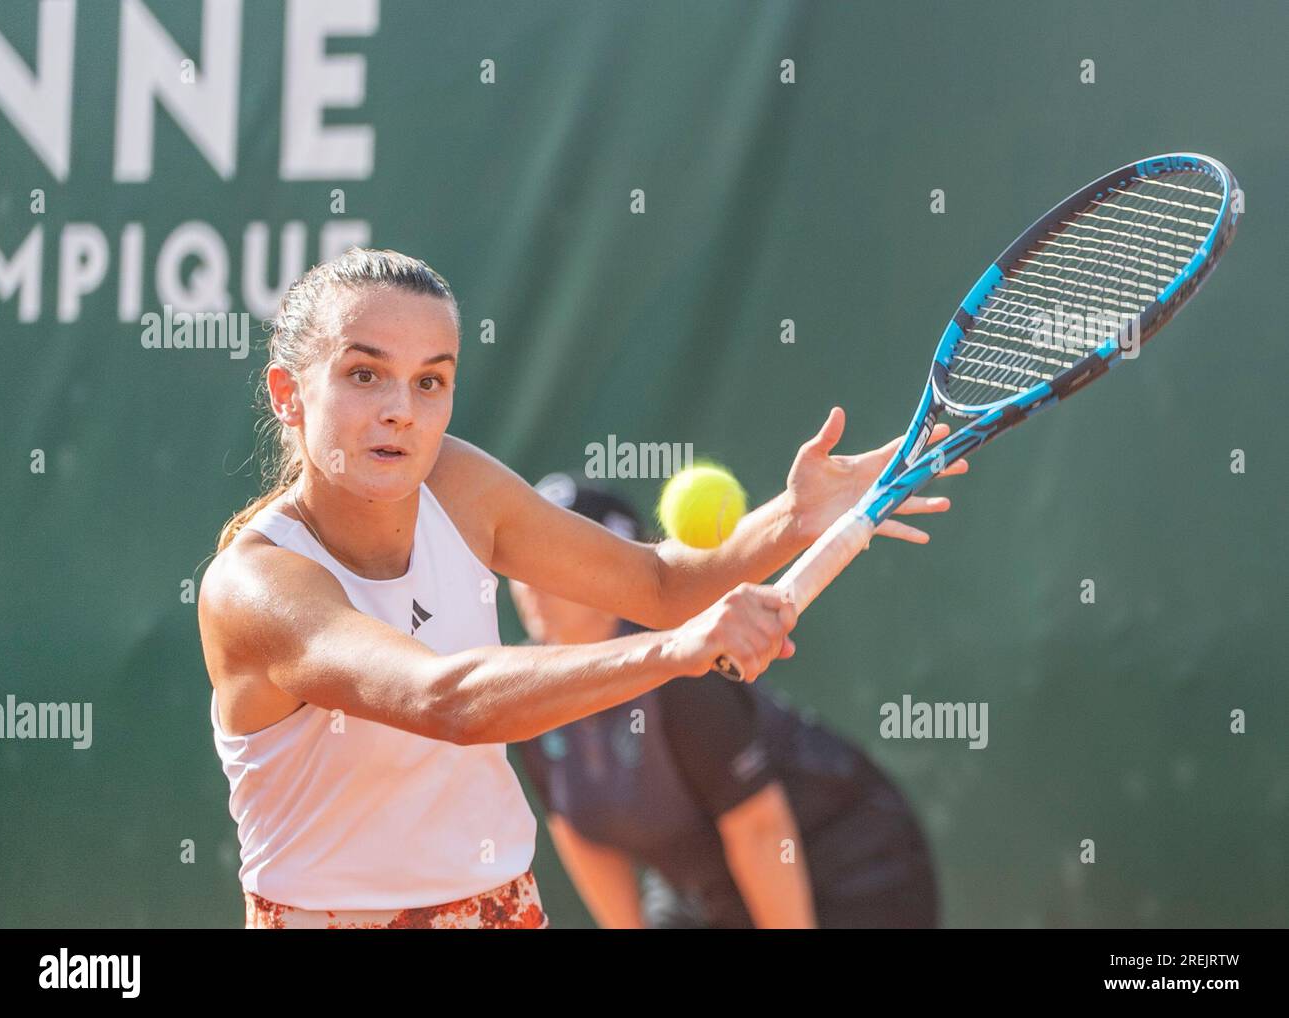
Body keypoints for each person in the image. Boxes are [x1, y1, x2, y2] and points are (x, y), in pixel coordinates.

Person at [197, 247, 965, 929]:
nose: (402, 409)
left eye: (431, 380)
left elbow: (657, 583)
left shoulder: (456, 484)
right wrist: (676, 652)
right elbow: (446, 700)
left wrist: (793, 518)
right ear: (288, 394)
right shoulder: (255, 585)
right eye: (365, 374)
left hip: (500, 906)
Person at [512, 475, 940, 929]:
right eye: (523, 559)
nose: (531, 581)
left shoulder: (680, 671)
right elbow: (582, 836)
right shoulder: (527, 688)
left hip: (853, 866)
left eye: (555, 560)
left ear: (615, 576)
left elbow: (760, 832)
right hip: (705, 891)